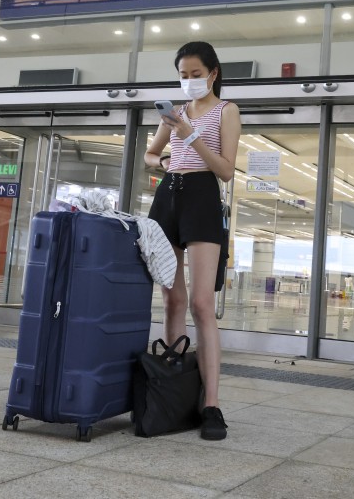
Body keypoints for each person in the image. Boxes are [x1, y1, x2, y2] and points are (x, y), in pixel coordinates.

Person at [144, 41, 241, 441]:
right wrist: (165, 158)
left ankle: (212, 404)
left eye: (196, 74)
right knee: (171, 298)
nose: (189, 81)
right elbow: (150, 155)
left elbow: (225, 171)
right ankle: (170, 386)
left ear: (213, 73)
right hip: (169, 196)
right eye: (183, 75)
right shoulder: (175, 112)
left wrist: (190, 136)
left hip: (202, 196)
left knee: (202, 303)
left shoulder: (226, 111)